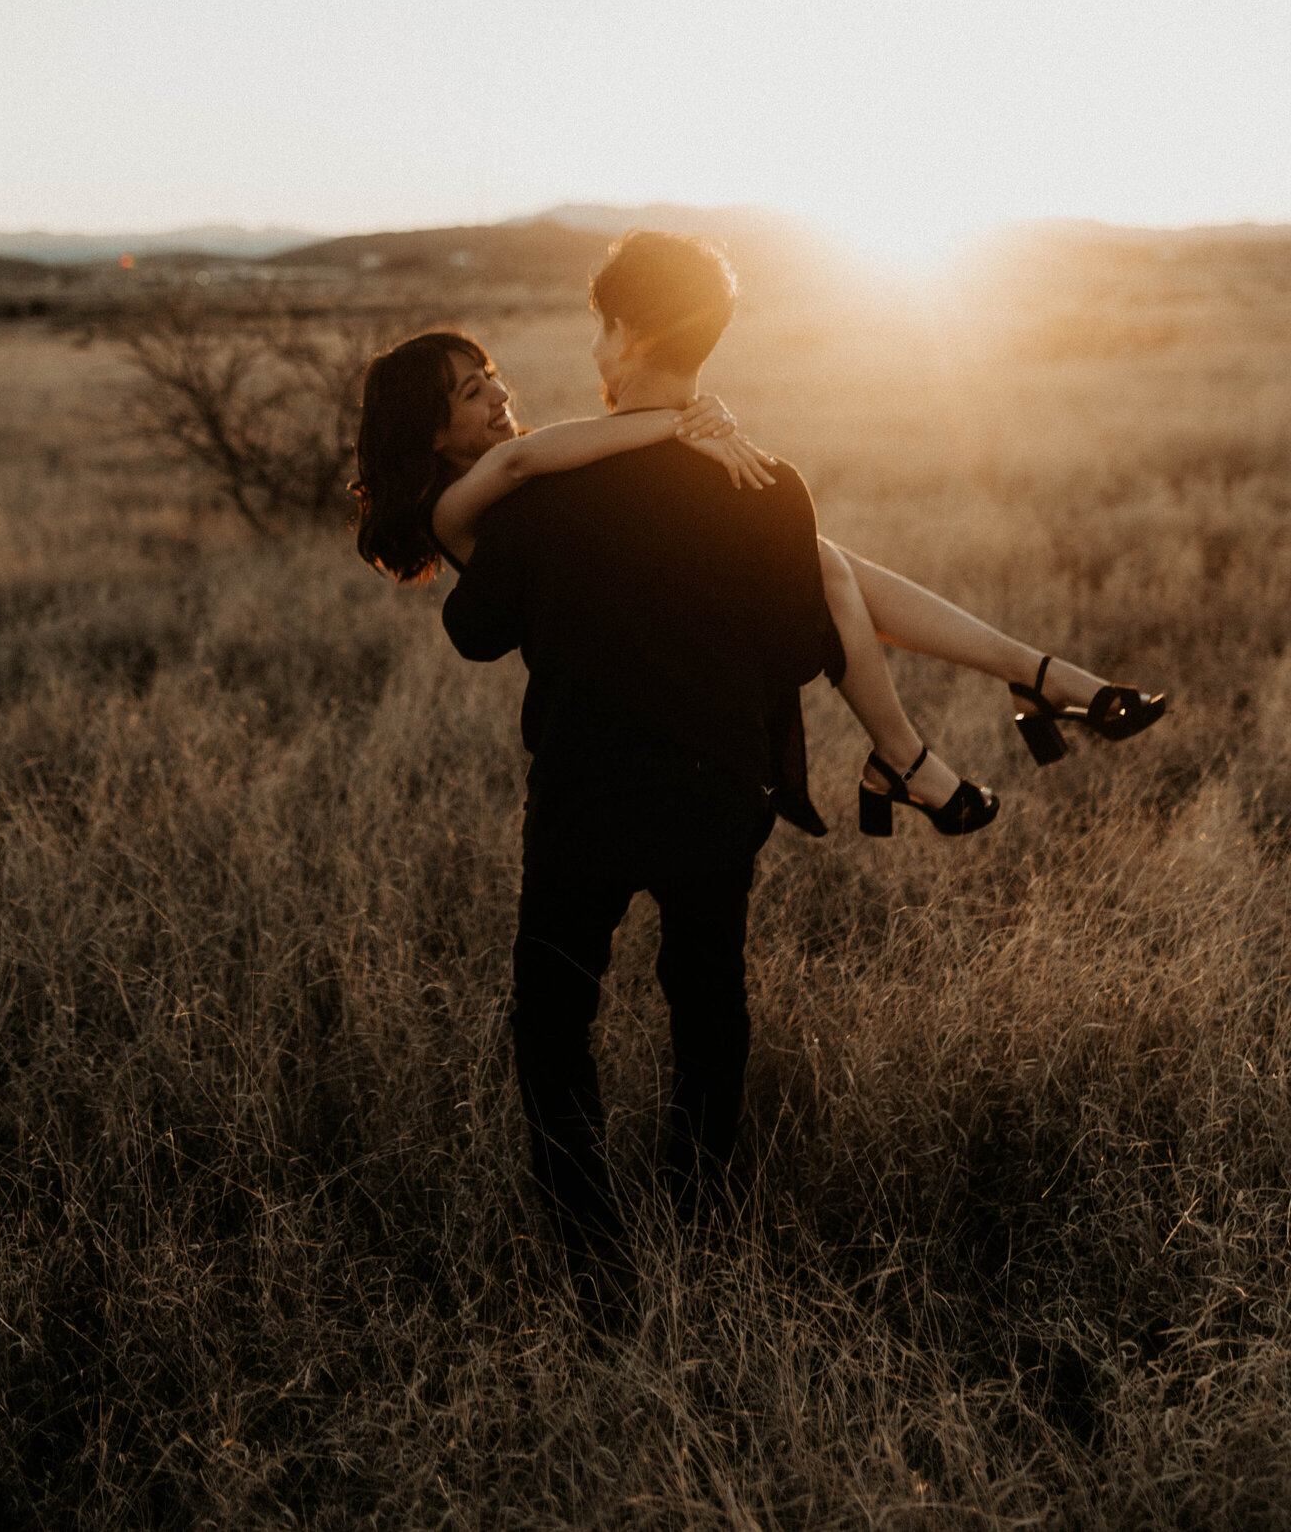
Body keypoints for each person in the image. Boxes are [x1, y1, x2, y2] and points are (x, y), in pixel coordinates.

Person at [351, 232, 1166, 1308]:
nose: (500, 398)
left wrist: (691, 441)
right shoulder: (536, 486)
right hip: (714, 780)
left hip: (586, 791)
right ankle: (972, 717)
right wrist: (706, 434)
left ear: (622, 329)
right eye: (472, 389)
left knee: (555, 1025)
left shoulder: (558, 481)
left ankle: (598, 1259)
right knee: (707, 1007)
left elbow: (485, 617)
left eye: (494, 376)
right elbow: (793, 637)